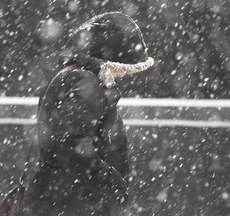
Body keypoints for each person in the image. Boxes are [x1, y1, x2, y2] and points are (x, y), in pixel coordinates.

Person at [18, 12, 154, 216]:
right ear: (107, 60)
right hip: (71, 202)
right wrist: (110, 183)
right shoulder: (85, 82)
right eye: (122, 67)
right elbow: (71, 143)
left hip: (62, 199)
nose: (124, 74)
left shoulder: (78, 78)